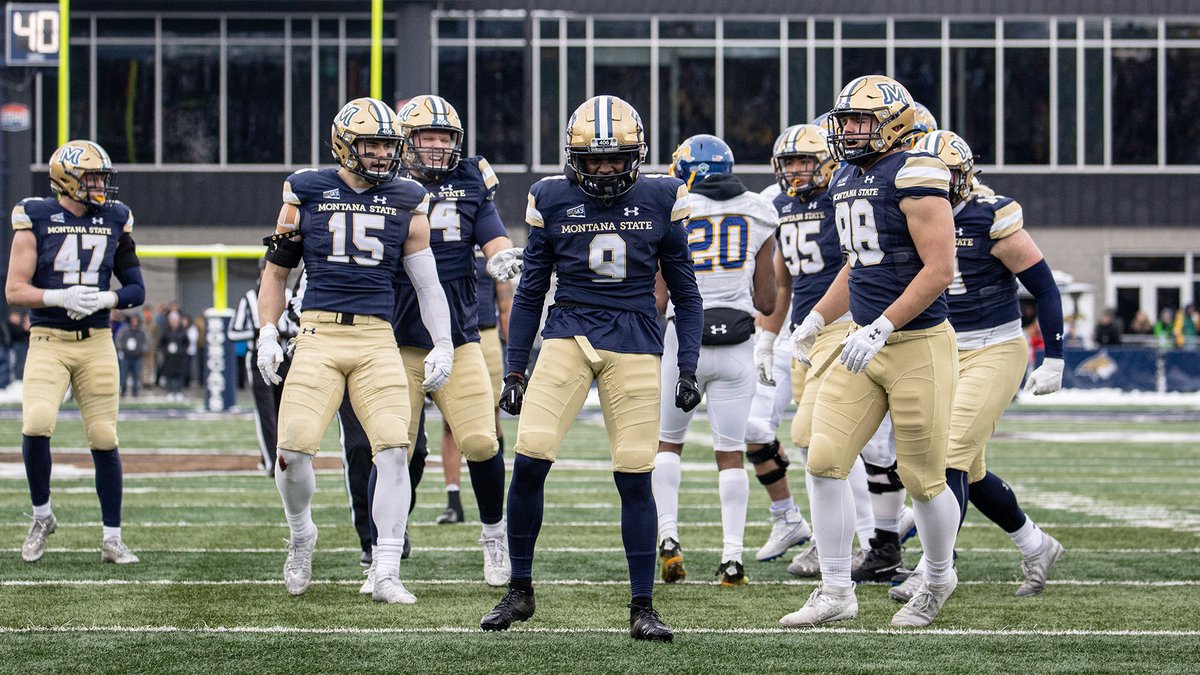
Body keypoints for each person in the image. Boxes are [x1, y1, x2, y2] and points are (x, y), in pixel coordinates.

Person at [480, 95, 702, 642]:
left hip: (634, 339)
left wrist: (688, 366)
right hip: (568, 334)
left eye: (615, 158)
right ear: (573, 156)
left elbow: (686, 294)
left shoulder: (664, 195)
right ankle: (520, 588)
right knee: (530, 455)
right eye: (594, 158)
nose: (604, 168)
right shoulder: (550, 197)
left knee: (634, 473)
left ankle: (643, 605)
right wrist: (515, 371)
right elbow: (530, 292)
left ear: (637, 154)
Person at [256, 97, 454, 605]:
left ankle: (386, 568)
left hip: (376, 337)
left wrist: (444, 343)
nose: (381, 156)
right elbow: (276, 273)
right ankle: (302, 534)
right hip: (318, 334)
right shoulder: (306, 190)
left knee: (393, 450)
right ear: (344, 144)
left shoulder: (408, 198)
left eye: (387, 146)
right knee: (292, 453)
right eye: (370, 145)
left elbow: (428, 286)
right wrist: (266, 331)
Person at [780, 76, 961, 629]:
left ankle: (936, 577)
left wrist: (880, 326)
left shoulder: (917, 171)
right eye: (846, 120)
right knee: (824, 458)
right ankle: (836, 588)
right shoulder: (846, 179)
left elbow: (940, 270)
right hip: (863, 339)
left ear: (896, 123)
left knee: (923, 479)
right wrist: (815, 319)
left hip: (917, 344)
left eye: (862, 120)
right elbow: (860, 263)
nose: (850, 130)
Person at [352, 94, 523, 592]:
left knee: (479, 440)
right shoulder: (381, 183)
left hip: (460, 336)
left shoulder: (471, 179)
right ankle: (382, 559)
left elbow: (492, 235)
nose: (436, 146)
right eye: (426, 135)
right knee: (391, 450)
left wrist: (500, 257)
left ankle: (494, 538)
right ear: (405, 140)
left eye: (444, 137)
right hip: (392, 338)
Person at [887, 130, 1065, 604]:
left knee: (946, 459)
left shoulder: (991, 216)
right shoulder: (908, 209)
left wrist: (1056, 356)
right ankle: (1036, 545)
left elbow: (1044, 288)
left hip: (994, 348)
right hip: (941, 348)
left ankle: (932, 572)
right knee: (972, 471)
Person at [6, 139, 146, 564]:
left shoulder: (116, 219)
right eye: (92, 177)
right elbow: (14, 290)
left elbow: (136, 288)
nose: (100, 185)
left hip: (97, 341)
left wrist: (107, 300)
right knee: (36, 423)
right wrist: (57, 297)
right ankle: (42, 515)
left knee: (104, 436)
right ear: (66, 180)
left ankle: (112, 537)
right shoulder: (36, 217)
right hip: (49, 338)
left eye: (102, 176)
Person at [651, 134, 776, 587]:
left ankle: (668, 538)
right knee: (731, 453)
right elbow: (766, 299)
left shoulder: (672, 206)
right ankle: (731, 560)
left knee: (667, 444)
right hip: (738, 342)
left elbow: (661, 294)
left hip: (682, 340)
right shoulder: (761, 210)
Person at [437, 250, 514, 525]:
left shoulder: (490, 250)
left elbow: (505, 304)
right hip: (451, 337)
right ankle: (453, 500)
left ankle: (496, 497)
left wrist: (515, 353)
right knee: (450, 422)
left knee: (491, 420)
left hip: (487, 335)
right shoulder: (444, 244)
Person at [228, 258, 297, 477]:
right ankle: (270, 462)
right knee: (265, 413)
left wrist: (287, 334)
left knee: (284, 412)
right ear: (260, 272)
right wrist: (261, 335)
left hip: (285, 360)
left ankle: (282, 458)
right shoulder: (249, 298)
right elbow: (233, 331)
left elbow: (297, 324)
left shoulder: (288, 296)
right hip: (259, 361)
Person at [115, 313, 150, 398]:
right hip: (126, 356)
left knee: (136, 375)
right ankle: (123, 391)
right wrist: (122, 349)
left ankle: (135, 392)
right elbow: (118, 340)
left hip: (137, 357)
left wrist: (141, 350)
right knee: (123, 375)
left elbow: (147, 342)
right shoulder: (125, 330)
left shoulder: (142, 331)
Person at [159, 310, 188, 401]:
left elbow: (186, 343)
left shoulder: (182, 331)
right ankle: (170, 392)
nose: (174, 323)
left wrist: (181, 351)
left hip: (179, 357)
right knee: (169, 375)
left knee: (179, 375)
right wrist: (166, 351)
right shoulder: (166, 331)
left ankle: (179, 392)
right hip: (169, 357)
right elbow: (161, 343)